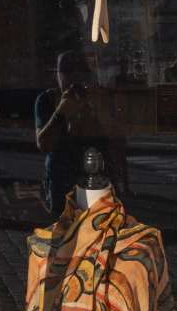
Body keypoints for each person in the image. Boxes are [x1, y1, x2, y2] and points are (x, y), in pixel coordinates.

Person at [34, 50, 124, 219]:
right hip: (62, 178)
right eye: (66, 71)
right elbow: (43, 144)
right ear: (56, 75)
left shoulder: (100, 97)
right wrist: (60, 112)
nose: (72, 78)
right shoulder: (48, 100)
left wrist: (97, 107)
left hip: (97, 175)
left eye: (79, 71)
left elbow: (116, 137)